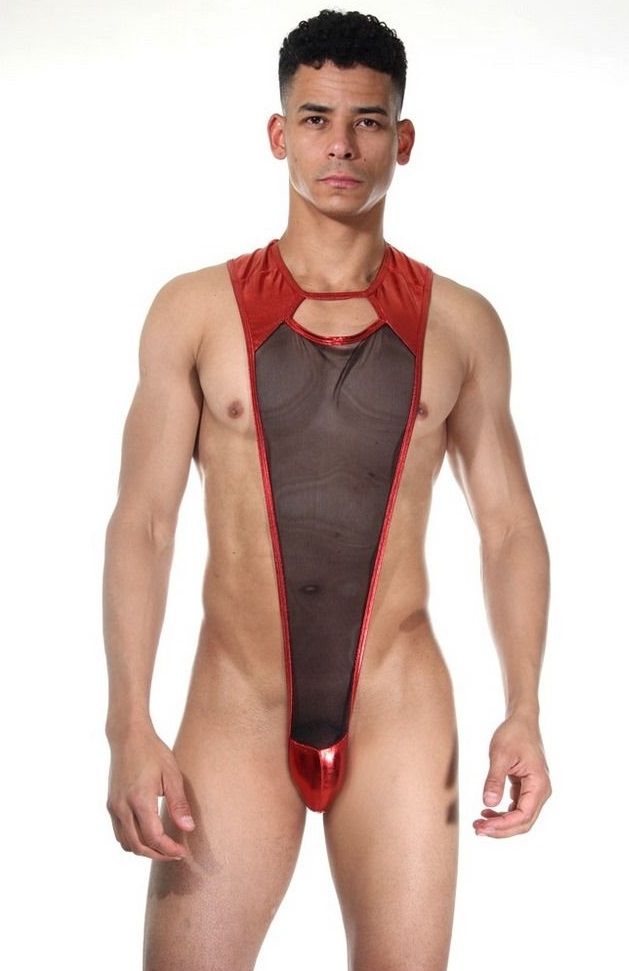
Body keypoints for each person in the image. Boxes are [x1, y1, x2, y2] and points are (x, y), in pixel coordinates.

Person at [103, 8, 552, 970]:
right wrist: (127, 723)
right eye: (315, 119)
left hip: (400, 709)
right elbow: (143, 523)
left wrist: (524, 706)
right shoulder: (193, 310)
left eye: (366, 121)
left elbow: (508, 524)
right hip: (236, 708)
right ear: (278, 134)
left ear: (403, 138)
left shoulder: (462, 324)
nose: (340, 145)